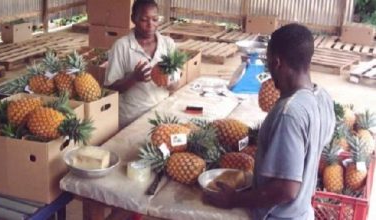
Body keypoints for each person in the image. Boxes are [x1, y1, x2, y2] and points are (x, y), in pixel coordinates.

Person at [204, 23, 335, 220]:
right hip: (303, 212)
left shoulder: (289, 113)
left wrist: (234, 200)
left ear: (276, 62)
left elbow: (286, 189)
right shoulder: (322, 97)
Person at [104, 0, 177, 128]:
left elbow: (176, 84)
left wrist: (168, 82)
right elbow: (110, 88)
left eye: (155, 19)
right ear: (133, 19)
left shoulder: (168, 44)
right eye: (144, 20)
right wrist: (133, 78)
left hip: (161, 116)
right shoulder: (122, 46)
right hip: (131, 118)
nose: (150, 25)